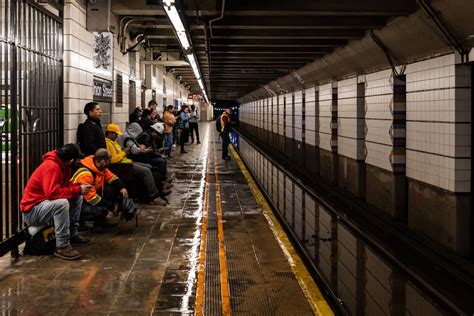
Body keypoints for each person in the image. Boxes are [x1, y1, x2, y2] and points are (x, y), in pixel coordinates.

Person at [20, 144, 92, 260]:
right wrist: (78, 189)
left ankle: (73, 234)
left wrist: (79, 187)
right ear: (70, 159)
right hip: (32, 212)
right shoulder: (51, 167)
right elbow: (52, 194)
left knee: (77, 196)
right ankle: (62, 246)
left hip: (43, 205)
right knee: (62, 203)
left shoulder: (63, 166)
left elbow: (66, 186)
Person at [105, 124, 169, 205]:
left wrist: (123, 151)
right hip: (122, 166)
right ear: (110, 133)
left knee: (149, 167)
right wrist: (124, 152)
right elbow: (113, 160)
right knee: (146, 171)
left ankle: (153, 191)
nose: (117, 136)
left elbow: (119, 152)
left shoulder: (113, 142)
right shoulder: (108, 144)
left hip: (126, 163)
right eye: (115, 134)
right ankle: (154, 196)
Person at [71, 149, 128, 228]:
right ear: (103, 162)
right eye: (109, 160)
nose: (110, 162)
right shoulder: (86, 174)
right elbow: (91, 198)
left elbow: (112, 177)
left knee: (112, 190)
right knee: (102, 211)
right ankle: (80, 222)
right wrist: (111, 207)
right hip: (77, 204)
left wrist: (122, 188)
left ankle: (100, 221)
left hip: (88, 198)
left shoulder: (100, 167)